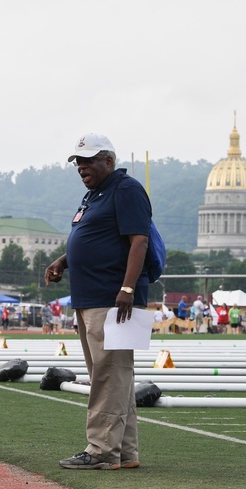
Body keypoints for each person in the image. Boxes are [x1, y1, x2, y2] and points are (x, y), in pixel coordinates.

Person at [46, 133, 150, 471]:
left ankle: (102, 450)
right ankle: (125, 451)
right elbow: (93, 237)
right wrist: (63, 261)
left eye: (88, 160)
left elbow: (139, 241)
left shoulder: (126, 189)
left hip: (113, 299)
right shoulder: (95, 195)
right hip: (92, 298)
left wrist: (128, 288)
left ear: (109, 160)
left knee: (109, 376)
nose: (81, 167)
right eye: (78, 161)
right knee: (113, 377)